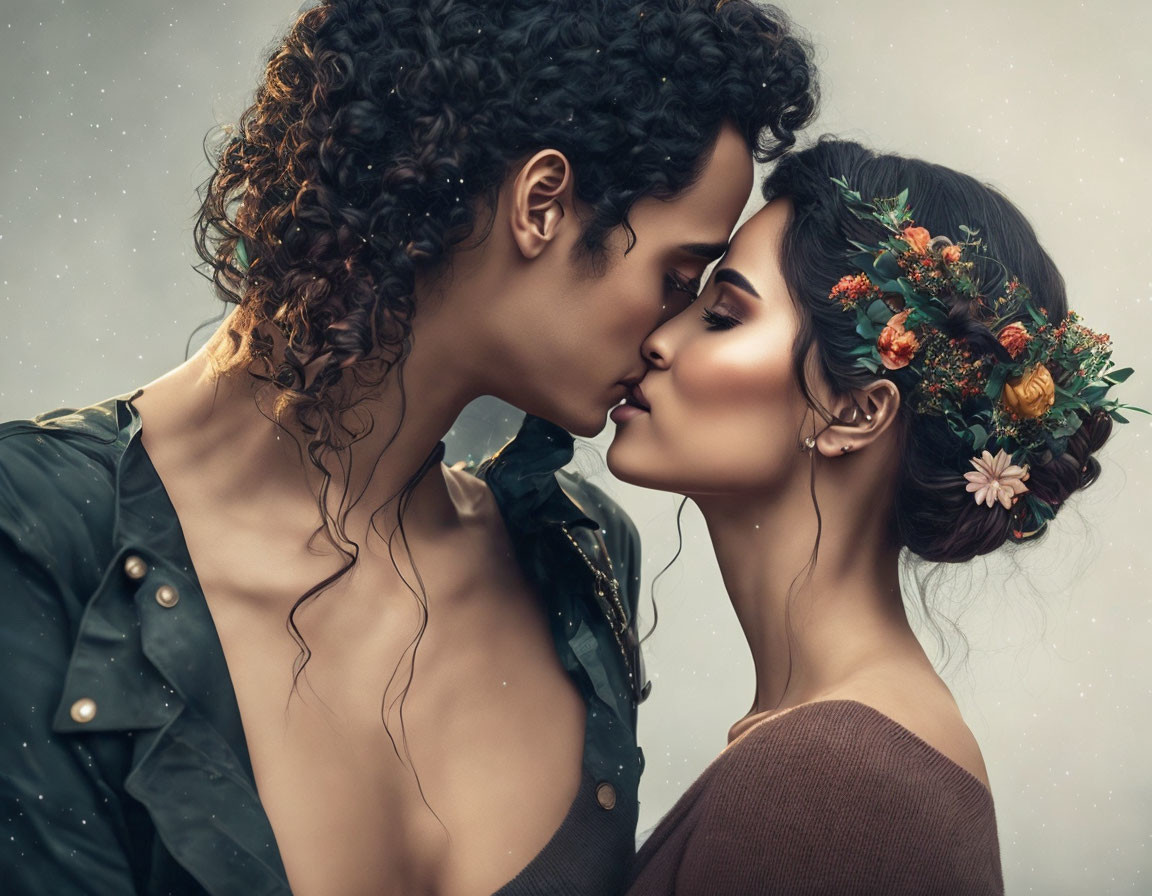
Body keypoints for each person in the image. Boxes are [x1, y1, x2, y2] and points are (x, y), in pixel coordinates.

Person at [0, 2, 818, 894]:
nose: (674, 332)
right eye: (674, 276)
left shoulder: (577, 559)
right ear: (541, 204)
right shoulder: (37, 542)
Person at [607, 138, 1138, 894]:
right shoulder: (839, 751)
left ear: (854, 411)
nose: (658, 340)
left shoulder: (830, 782)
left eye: (722, 315)